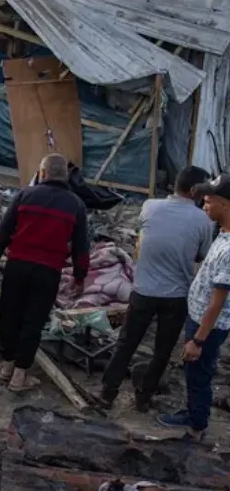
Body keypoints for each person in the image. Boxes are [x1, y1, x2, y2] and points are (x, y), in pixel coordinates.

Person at [99, 166, 214, 411]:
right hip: (176, 296)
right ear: (194, 190)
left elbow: (145, 233)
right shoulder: (203, 221)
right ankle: (143, 398)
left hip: (143, 290)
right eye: (204, 189)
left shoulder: (149, 206)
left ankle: (108, 394)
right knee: (162, 351)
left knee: (126, 343)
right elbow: (200, 255)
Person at [0, 153, 89, 393]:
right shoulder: (76, 205)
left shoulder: (25, 195)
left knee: (10, 312)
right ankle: (20, 374)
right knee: (33, 320)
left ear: (42, 173)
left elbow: (3, 229)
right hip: (48, 271)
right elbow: (81, 247)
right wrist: (79, 276)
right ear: (65, 176)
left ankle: (6, 364)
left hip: (18, 266)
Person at [157, 174, 230, 441]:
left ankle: (196, 428)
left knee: (199, 374)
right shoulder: (222, 233)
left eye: (209, 202)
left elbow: (218, 302)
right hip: (199, 318)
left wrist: (198, 340)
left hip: (207, 326)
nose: (204, 207)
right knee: (194, 372)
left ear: (225, 204)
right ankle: (193, 413)